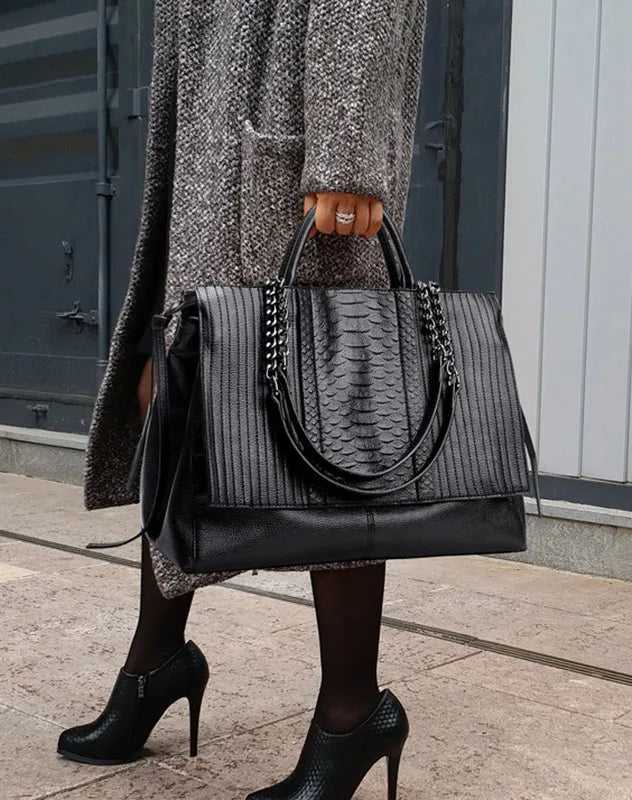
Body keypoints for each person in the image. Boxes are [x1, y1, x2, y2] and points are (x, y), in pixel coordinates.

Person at [56, 1, 427, 797]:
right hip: (216, 139)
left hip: (289, 144)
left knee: (332, 425)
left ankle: (352, 712)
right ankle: (157, 660)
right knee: (173, 398)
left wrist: (346, 151)